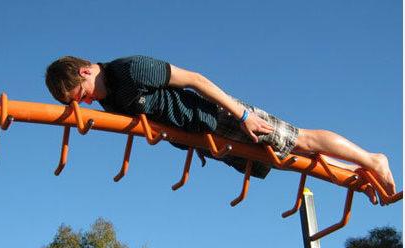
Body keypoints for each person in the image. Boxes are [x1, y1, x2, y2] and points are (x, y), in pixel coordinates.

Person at [45, 55, 396, 203]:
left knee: (298, 139)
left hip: (220, 116)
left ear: (84, 72)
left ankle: (373, 159)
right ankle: (356, 176)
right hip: (205, 138)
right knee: (285, 160)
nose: (85, 102)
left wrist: (242, 115)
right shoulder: (111, 101)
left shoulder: (129, 70)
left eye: (79, 95)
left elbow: (195, 80)